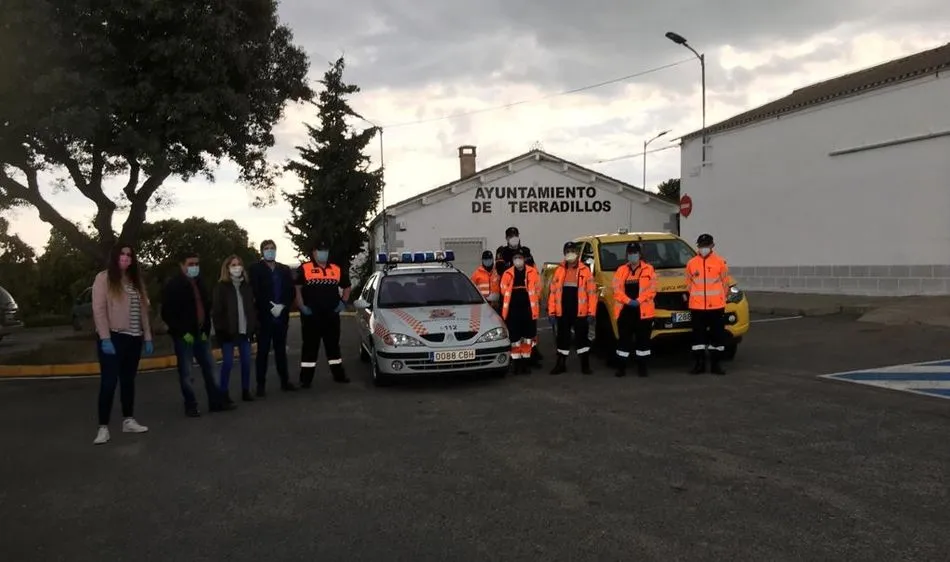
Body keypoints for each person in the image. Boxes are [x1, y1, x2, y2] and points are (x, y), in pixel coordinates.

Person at [91, 243, 153, 445]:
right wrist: (105, 338)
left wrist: (148, 336)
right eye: (122, 254)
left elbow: (143, 311)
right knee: (109, 383)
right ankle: (103, 427)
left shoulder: (136, 281)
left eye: (129, 254)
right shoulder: (104, 278)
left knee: (128, 381)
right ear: (115, 256)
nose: (126, 257)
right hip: (114, 337)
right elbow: (99, 310)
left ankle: (128, 420)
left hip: (134, 339)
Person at [162, 251, 235, 417]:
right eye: (190, 264)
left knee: (210, 369)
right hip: (184, 337)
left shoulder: (201, 283)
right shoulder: (173, 285)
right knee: (187, 373)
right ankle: (191, 405)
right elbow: (168, 313)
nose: (194, 267)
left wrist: (205, 331)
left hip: (201, 335)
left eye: (196, 264)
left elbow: (206, 307)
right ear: (182, 266)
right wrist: (181, 332)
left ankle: (216, 402)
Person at [295, 241, 352, 387]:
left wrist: (343, 303)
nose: (323, 253)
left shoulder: (335, 269)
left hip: (331, 316)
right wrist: (301, 306)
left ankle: (339, 375)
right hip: (311, 317)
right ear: (314, 252)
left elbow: (347, 286)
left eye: (325, 250)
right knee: (309, 348)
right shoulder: (305, 268)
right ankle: (305, 380)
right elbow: (297, 288)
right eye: (320, 250)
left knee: (333, 347)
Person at [247, 240, 297, 396]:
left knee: (281, 351)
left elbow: (291, 290)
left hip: (281, 317)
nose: (270, 251)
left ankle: (285, 381)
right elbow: (254, 291)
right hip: (264, 317)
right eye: (267, 249)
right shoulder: (255, 269)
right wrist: (269, 307)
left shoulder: (284, 269)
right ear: (262, 251)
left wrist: (283, 306)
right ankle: (260, 385)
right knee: (262, 352)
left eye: (272, 248)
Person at [212, 255, 258, 404]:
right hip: (228, 332)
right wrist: (220, 331)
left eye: (239, 264)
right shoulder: (221, 287)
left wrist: (253, 327)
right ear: (227, 268)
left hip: (245, 331)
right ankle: (223, 393)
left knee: (246, 362)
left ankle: (246, 390)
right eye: (233, 265)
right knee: (228, 363)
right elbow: (217, 312)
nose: (237, 267)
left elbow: (251, 309)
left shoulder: (247, 286)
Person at [547, 241, 597, 375]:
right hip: (563, 311)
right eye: (568, 252)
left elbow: (592, 294)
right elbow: (553, 293)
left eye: (572, 251)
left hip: (580, 311)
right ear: (564, 254)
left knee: (582, 339)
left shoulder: (585, 271)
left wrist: (592, 313)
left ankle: (585, 365)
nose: (570, 254)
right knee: (562, 339)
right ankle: (560, 364)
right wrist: (551, 312)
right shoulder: (559, 270)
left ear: (576, 253)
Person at [495, 226, 543, 365]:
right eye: (510, 236)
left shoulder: (526, 251)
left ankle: (531, 354)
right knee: (513, 328)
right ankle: (514, 356)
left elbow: (533, 270)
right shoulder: (502, 252)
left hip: (528, 296)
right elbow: (500, 270)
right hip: (510, 296)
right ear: (506, 238)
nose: (513, 238)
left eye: (515, 235)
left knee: (530, 329)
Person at [686, 233, 732, 375]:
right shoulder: (691, 263)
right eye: (701, 246)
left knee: (717, 337)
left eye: (706, 245)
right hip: (697, 307)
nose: (703, 248)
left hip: (716, 307)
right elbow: (688, 284)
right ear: (698, 247)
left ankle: (716, 365)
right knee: (698, 338)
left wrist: (720, 299)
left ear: (712, 246)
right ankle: (699, 364)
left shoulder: (720, 262)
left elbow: (725, 284)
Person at [612, 242, 657, 378]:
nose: (633, 255)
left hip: (643, 312)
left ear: (640, 254)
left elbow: (652, 290)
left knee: (643, 342)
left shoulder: (649, 270)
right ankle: (621, 368)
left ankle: (642, 368)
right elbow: (616, 290)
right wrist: (628, 301)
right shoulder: (621, 270)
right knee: (623, 342)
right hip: (625, 311)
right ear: (627, 255)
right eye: (630, 253)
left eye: (635, 252)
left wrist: (638, 300)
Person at [500, 248, 541, 374]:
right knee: (515, 339)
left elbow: (538, 290)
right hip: (513, 311)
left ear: (524, 259)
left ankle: (526, 363)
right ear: (513, 260)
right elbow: (503, 289)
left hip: (528, 310)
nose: (518, 260)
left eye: (520, 258)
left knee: (528, 338)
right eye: (516, 258)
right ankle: (517, 364)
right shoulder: (507, 274)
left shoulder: (533, 272)